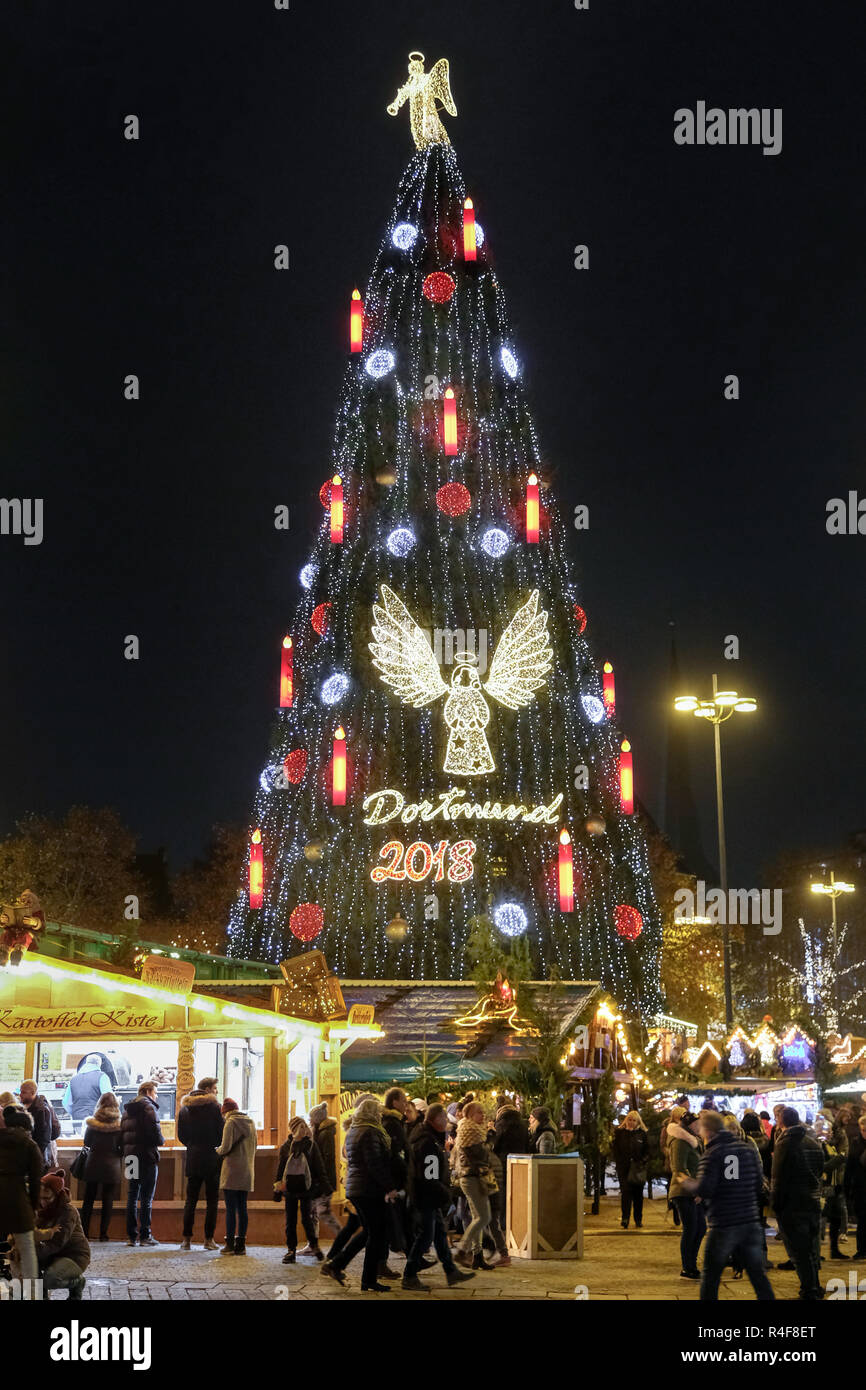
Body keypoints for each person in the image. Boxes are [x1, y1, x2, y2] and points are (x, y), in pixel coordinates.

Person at [684, 1109, 774, 1301]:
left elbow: (706, 1189)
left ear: (708, 1130)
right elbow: (759, 1182)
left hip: (724, 1222)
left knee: (711, 1274)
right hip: (750, 1221)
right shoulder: (748, 1149)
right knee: (757, 1275)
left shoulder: (712, 1154)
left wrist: (688, 1183)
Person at [321, 1097, 397, 1291]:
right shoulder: (370, 1131)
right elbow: (374, 1164)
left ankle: (336, 1265)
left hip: (357, 1188)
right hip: (368, 1190)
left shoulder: (355, 1129)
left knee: (368, 1232)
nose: (380, 1115)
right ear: (372, 1113)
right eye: (377, 1112)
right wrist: (390, 1187)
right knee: (376, 1234)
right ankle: (368, 1280)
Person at [402, 1103, 476, 1290]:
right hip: (426, 1195)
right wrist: (445, 1193)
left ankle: (451, 1272)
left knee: (440, 1235)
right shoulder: (427, 1142)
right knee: (426, 1236)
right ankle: (409, 1275)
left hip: (427, 1194)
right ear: (435, 1120)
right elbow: (429, 1175)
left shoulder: (426, 1136)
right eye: (443, 1118)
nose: (446, 1121)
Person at [771, 1105, 824, 1301]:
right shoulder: (812, 1142)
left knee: (798, 1251)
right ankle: (814, 1286)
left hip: (792, 1204)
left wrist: (775, 1204)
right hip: (811, 1200)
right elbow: (819, 1170)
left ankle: (809, 1289)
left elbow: (778, 1177)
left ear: (781, 1121)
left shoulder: (785, 1143)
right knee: (809, 1249)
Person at [177, 1076, 224, 1251]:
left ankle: (186, 1240)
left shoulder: (185, 1109)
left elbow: (181, 1135)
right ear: (208, 1089)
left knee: (191, 1200)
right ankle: (208, 1239)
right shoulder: (214, 1108)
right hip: (211, 1156)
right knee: (212, 1200)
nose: (216, 1092)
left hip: (193, 1157)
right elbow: (221, 1133)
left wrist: (192, 1144)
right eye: (215, 1088)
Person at [452, 1100, 498, 1271]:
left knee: (477, 1217)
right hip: (472, 1178)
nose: (483, 1115)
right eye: (479, 1112)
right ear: (470, 1115)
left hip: (474, 1178)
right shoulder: (471, 1132)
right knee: (483, 1218)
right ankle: (462, 1250)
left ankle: (477, 1256)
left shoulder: (472, 1131)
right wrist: (491, 1136)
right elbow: (483, 1154)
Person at [274, 1115, 326, 1264]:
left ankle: (314, 1245)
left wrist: (324, 1186)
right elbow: (281, 1169)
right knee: (290, 1220)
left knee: (307, 1219)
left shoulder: (310, 1145)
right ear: (294, 1129)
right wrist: (277, 1189)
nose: (305, 1129)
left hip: (306, 1188)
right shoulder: (286, 1146)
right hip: (290, 1188)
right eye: (301, 1127)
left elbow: (319, 1167)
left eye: (305, 1126)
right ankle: (291, 1250)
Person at [0, 1104, 43, 1283]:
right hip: (17, 1200)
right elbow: (35, 1181)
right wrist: (33, 1207)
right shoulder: (29, 1145)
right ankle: (31, 1293)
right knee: (27, 1251)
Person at [32, 1172, 90, 1299]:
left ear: (57, 1195)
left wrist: (33, 1252)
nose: (43, 1202)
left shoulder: (68, 1212)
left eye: (47, 1198)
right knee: (30, 1265)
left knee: (50, 1279)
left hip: (74, 1256)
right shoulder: (41, 1209)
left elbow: (57, 1243)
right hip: (52, 1255)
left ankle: (77, 1283)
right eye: (40, 1198)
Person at [122, 1081, 163, 1247]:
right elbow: (155, 1133)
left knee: (132, 1195)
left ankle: (131, 1236)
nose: (157, 1095)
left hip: (131, 1157)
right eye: (155, 1092)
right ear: (148, 1091)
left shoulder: (127, 1110)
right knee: (146, 1197)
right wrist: (161, 1141)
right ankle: (145, 1236)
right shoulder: (148, 1108)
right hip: (146, 1156)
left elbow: (122, 1135)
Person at [215, 1097, 256, 1256]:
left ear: (226, 1111)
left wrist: (217, 1150)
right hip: (246, 1170)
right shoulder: (250, 1123)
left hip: (232, 1170)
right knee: (243, 1208)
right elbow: (255, 1147)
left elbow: (225, 1147)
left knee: (231, 1209)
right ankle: (241, 1245)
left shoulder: (231, 1122)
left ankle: (229, 1244)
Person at [80, 1091, 123, 1241]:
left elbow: (87, 1142)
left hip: (93, 1163)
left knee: (88, 1199)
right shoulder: (120, 1125)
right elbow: (123, 1148)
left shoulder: (92, 1123)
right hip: (112, 1165)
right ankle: (103, 1234)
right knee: (108, 1199)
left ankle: (84, 1232)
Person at [668, 1107, 705, 1279]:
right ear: (690, 1125)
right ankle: (687, 1266)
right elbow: (679, 1168)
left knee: (700, 1228)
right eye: (697, 1123)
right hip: (683, 1192)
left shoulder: (694, 1140)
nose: (699, 1126)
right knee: (691, 1228)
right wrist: (694, 1189)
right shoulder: (680, 1141)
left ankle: (691, 1263)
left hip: (694, 1191)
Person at [308, 1102, 340, 1243]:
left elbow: (327, 1158)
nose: (309, 1120)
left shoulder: (324, 1133)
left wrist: (322, 1179)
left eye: (311, 1118)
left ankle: (342, 1237)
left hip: (323, 1181)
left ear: (317, 1118)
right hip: (322, 1180)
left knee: (322, 1212)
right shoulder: (321, 1132)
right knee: (315, 1211)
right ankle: (313, 1243)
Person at [613, 1111, 649, 1230]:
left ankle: (638, 1219)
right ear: (626, 1120)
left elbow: (647, 1151)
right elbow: (616, 1149)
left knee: (638, 1194)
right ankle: (625, 1218)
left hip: (637, 1168)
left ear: (638, 1122)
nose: (631, 1122)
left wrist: (642, 1161)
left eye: (634, 1120)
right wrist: (619, 1162)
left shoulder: (642, 1134)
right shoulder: (620, 1133)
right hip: (624, 1168)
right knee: (626, 1193)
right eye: (629, 1119)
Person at [63, 1055, 111, 1128]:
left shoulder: (73, 1079)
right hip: (96, 1121)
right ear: (99, 1064)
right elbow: (109, 1099)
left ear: (86, 1063)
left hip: (77, 1121)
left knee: (79, 1139)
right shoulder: (102, 1076)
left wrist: (76, 1113)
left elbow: (66, 1102)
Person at [844, 1111, 866, 1259]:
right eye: (863, 1129)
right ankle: (862, 1249)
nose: (865, 1132)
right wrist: (846, 1188)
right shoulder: (855, 1142)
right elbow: (850, 1166)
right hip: (861, 1188)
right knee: (863, 1220)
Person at [18, 1080, 54, 1168]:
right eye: (20, 1091)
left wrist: (35, 1156)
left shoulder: (41, 1110)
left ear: (33, 1093)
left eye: (24, 1092)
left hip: (38, 1158)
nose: (20, 1095)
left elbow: (44, 1138)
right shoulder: (26, 1107)